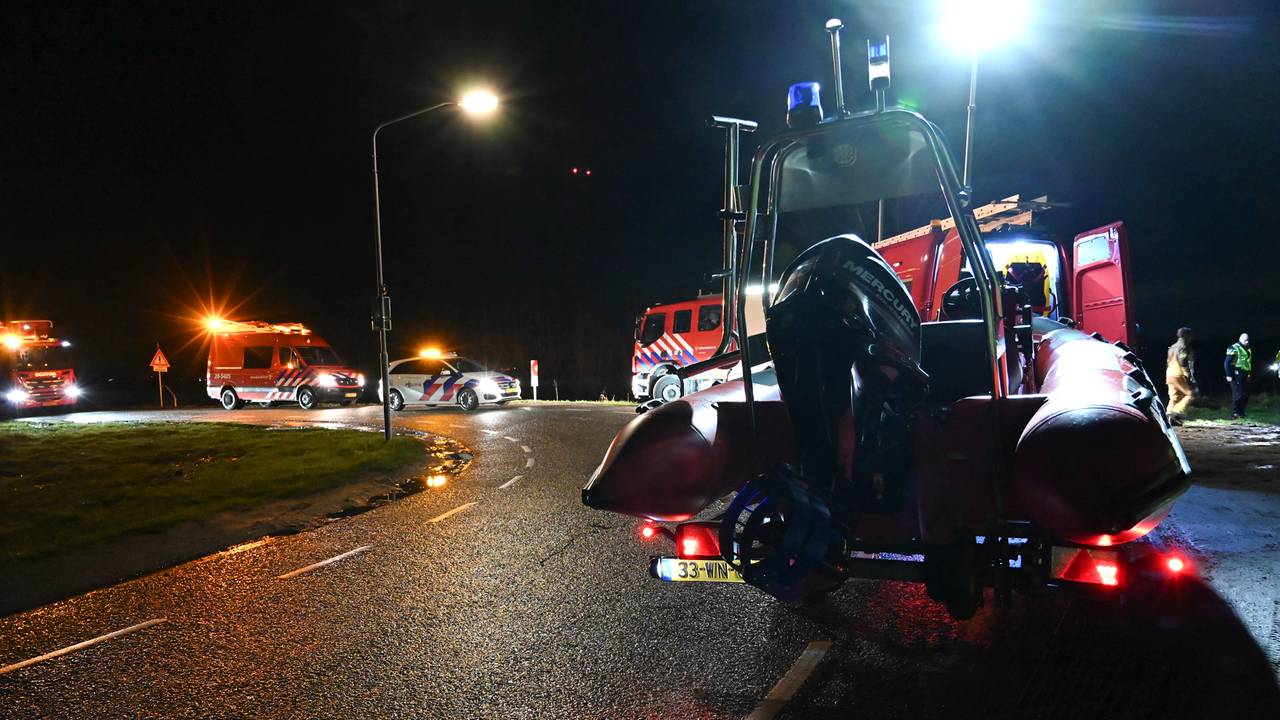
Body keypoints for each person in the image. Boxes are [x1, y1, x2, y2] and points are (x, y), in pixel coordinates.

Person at [1165, 327, 1196, 425]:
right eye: (1190, 335)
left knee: (1175, 397)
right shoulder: (1183, 346)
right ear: (1185, 335)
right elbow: (1183, 360)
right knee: (1190, 394)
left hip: (1169, 374)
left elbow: (1168, 361)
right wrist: (1187, 373)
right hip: (1178, 373)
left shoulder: (1172, 347)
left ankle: (1169, 417)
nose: (1191, 338)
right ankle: (1176, 413)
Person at [1224, 332, 1253, 419]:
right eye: (1245, 340)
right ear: (1240, 339)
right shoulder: (1234, 348)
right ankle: (1235, 413)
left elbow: (1247, 361)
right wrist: (1229, 374)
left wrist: (1249, 373)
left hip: (1245, 373)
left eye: (1248, 340)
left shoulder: (1248, 348)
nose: (1247, 342)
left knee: (1245, 394)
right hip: (1236, 373)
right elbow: (1227, 363)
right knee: (1238, 394)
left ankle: (1241, 412)